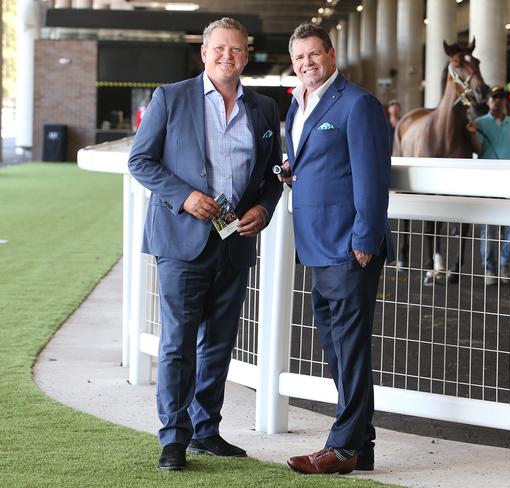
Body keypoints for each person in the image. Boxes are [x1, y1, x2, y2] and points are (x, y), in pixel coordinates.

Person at [128, 17, 283, 470]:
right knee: (177, 342)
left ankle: (205, 430)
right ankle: (173, 438)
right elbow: (141, 160)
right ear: (204, 52)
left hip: (233, 240)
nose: (226, 57)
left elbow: (273, 174)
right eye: (219, 48)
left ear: (246, 55)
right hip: (181, 240)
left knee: (219, 341)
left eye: (236, 49)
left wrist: (265, 209)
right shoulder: (170, 98)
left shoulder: (264, 108)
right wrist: (184, 196)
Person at [277, 23, 394, 475]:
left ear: (331, 54)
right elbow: (312, 159)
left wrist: (365, 237)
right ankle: (360, 445)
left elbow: (371, 175)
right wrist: (291, 170)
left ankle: (343, 447)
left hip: (349, 245)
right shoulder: (298, 104)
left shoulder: (358, 104)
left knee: (350, 346)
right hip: (315, 244)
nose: (307, 63)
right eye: (299, 57)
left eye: (314, 54)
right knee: (337, 345)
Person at [467, 85, 510, 286]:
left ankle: (504, 263)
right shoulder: (480, 123)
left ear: (505, 101)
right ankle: (489, 267)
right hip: (488, 181)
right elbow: (478, 150)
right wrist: (473, 134)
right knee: (488, 229)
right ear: (488, 101)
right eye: (494, 97)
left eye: (501, 96)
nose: (497, 100)